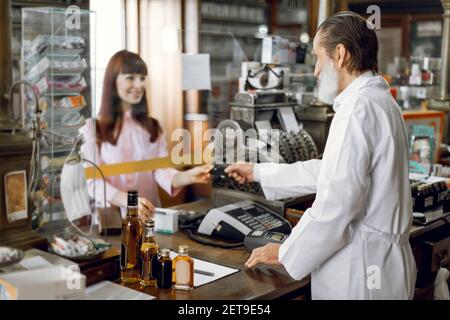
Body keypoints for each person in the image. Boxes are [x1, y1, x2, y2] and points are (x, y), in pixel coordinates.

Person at [225, 12, 417, 300]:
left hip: (361, 274)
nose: (315, 71)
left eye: (317, 57)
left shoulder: (357, 109)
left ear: (339, 54)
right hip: (384, 268)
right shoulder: (380, 101)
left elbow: (336, 205)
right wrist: (259, 171)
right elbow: (333, 171)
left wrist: (286, 252)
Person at [79, 50, 211, 222]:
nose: (139, 84)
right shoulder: (91, 129)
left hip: (150, 220)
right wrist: (131, 202)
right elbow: (93, 183)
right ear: (113, 81)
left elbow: (161, 171)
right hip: (112, 223)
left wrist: (189, 176)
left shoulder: (152, 127)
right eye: (130, 78)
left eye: (142, 78)